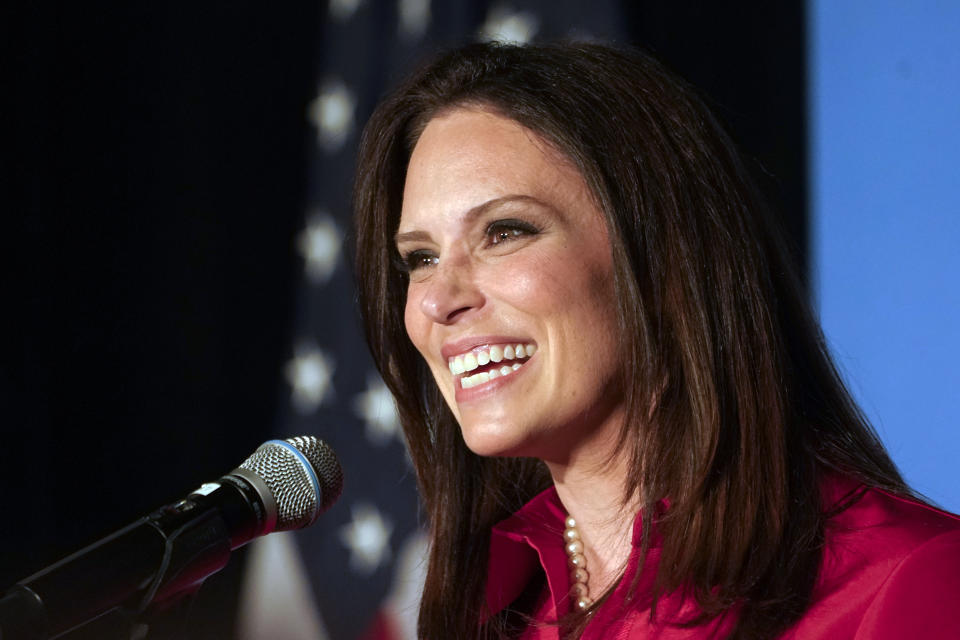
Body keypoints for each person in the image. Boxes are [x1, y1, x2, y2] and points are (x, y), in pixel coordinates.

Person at [352, 41, 960, 639]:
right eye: (421, 258)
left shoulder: (907, 582)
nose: (437, 299)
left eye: (504, 231)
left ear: (662, 258)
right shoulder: (496, 614)